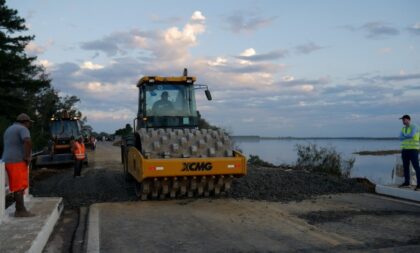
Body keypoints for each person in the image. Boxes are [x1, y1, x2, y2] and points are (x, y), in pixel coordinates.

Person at [2, 113, 35, 217]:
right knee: (19, 186)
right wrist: (27, 156)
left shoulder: (10, 129)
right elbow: (27, 141)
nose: (29, 125)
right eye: (29, 123)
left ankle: (19, 209)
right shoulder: (23, 129)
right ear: (25, 122)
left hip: (7, 160)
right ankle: (20, 211)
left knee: (16, 185)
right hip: (16, 160)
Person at [398, 114, 420, 190]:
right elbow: (400, 138)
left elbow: (412, 135)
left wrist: (404, 136)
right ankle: (406, 182)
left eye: (404, 119)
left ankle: (419, 185)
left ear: (408, 119)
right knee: (405, 167)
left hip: (413, 150)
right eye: (402, 120)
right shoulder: (403, 128)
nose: (403, 121)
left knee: (416, 167)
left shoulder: (414, 127)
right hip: (405, 150)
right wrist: (405, 136)